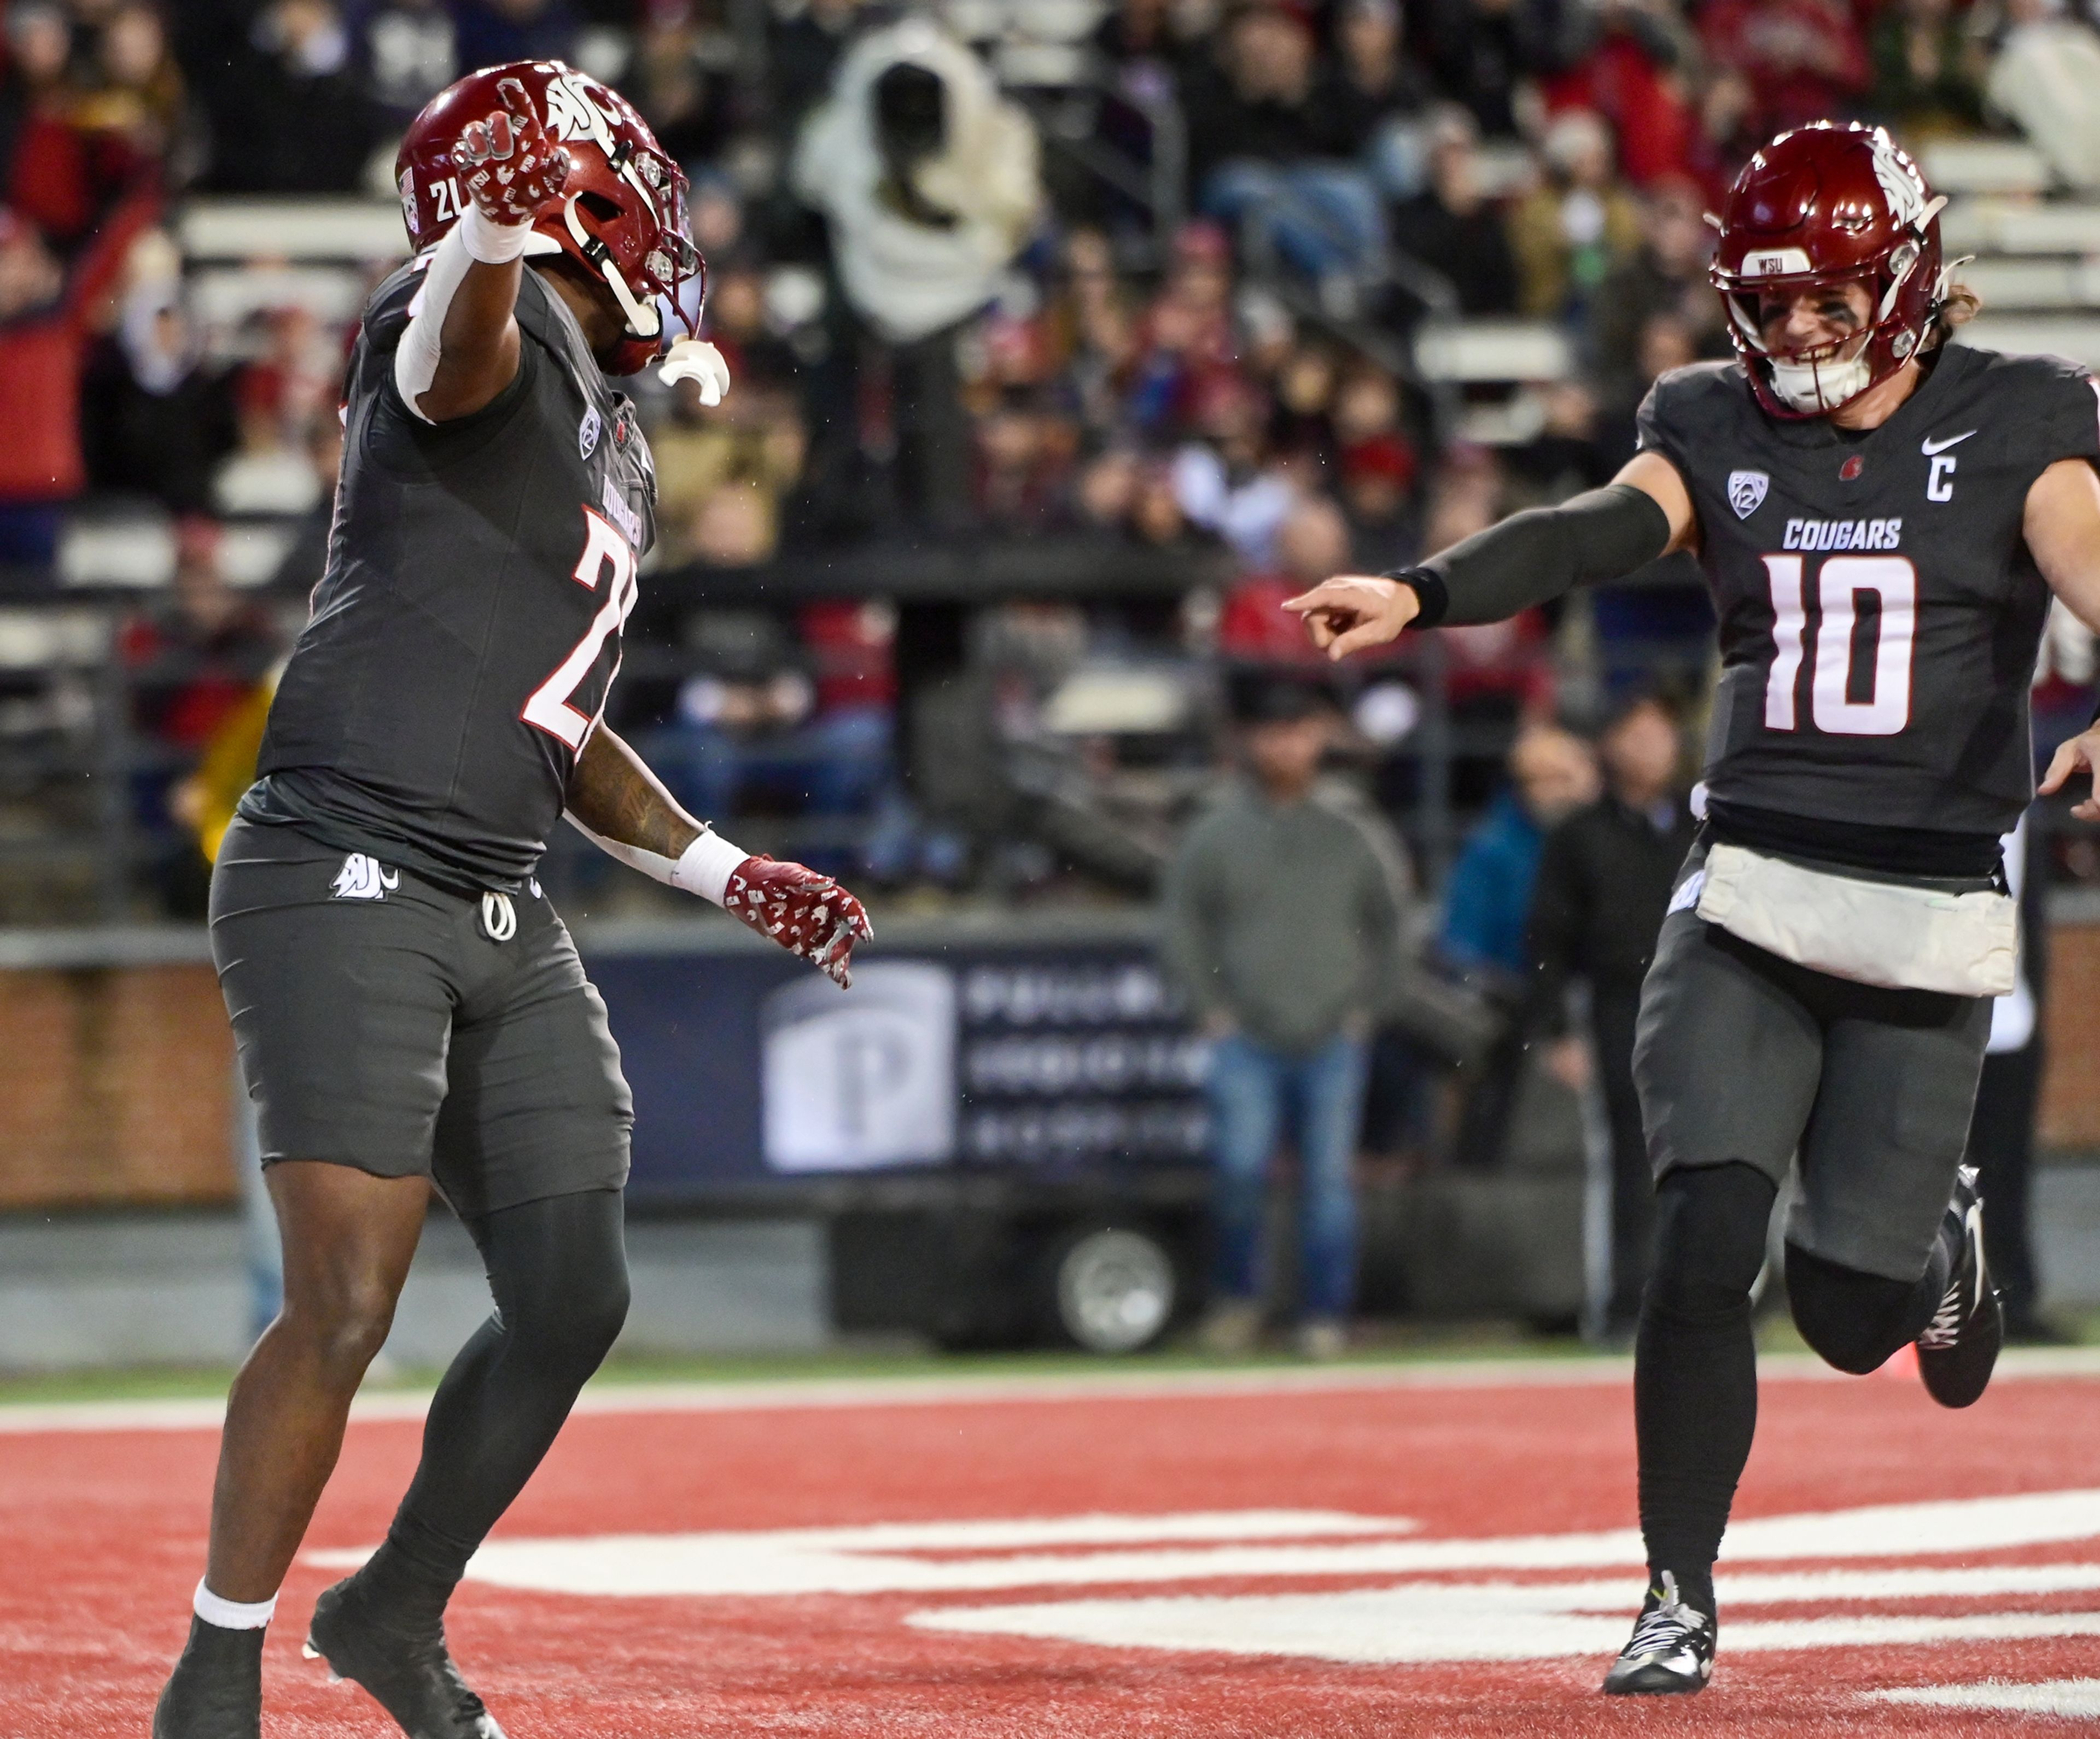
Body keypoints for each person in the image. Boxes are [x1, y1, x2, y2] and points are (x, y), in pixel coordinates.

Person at [1284, 122, 2100, 1695]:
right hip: (1742, 893)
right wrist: (1428, 587)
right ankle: (1678, 1589)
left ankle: (1932, 1248)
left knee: (1853, 1315)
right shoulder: (1710, 421)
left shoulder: (2023, 420)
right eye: (1768, 302)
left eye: (1826, 299)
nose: (1792, 332)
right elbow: (1599, 526)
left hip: (1923, 902)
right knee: (1703, 1231)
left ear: (1908, 279)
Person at [151, 61, 868, 1739]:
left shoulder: (615, 424)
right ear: (576, 202)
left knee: (574, 1292)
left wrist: (719, 866)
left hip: (493, 885)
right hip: (343, 858)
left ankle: (390, 1607)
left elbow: (559, 717)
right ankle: (215, 1667)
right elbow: (439, 347)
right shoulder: (481, 311)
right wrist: (486, 221)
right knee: (344, 1293)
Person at [1162, 672, 1405, 1360]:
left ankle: (1323, 1315)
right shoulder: (1216, 831)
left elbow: (1394, 926)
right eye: (1272, 732)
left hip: (1332, 1032)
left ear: (1319, 737)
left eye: (1298, 730)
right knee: (1240, 1173)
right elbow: (1182, 925)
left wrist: (1367, 1009)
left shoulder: (1353, 828)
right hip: (1247, 1034)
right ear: (1248, 740)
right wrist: (1209, 1008)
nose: (1285, 746)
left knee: (1329, 1186)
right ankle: (1239, 1303)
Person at [1525, 693, 1696, 1336]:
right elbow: (1548, 936)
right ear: (1609, 744)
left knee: (1717, 1153)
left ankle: (1721, 1299)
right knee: (1625, 1156)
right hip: (1620, 1002)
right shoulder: (1579, 835)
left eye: (1660, 733)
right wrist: (1556, 1029)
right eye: (1636, 732)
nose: (1650, 748)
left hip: (1706, 1002)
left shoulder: (1704, 825)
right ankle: (1623, 1301)